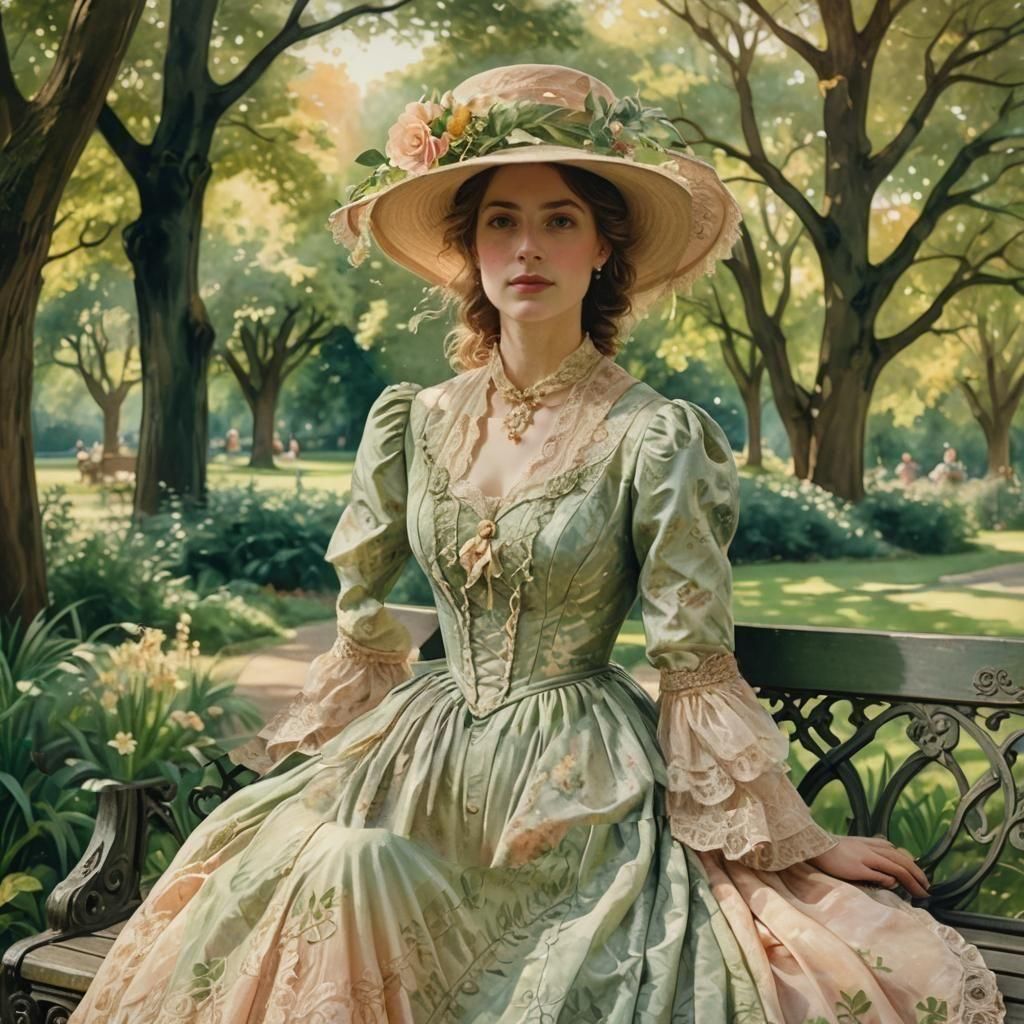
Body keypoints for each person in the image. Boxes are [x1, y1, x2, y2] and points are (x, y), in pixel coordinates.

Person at [69, 64, 1004, 1023]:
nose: (528, 247)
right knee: (333, 868)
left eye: (560, 219)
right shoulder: (412, 422)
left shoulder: (653, 436)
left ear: (604, 248)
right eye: (500, 221)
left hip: (573, 790)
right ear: (469, 249)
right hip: (418, 764)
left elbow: (692, 659)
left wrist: (796, 842)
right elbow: (362, 631)